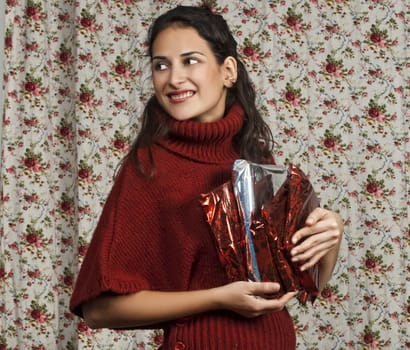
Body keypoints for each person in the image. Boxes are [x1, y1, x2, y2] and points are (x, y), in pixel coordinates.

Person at [69, 5, 343, 350]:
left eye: (190, 60)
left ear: (228, 70)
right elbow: (99, 310)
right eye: (161, 65)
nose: (173, 78)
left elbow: (302, 284)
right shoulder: (149, 167)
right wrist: (218, 298)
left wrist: (332, 232)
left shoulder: (256, 158)